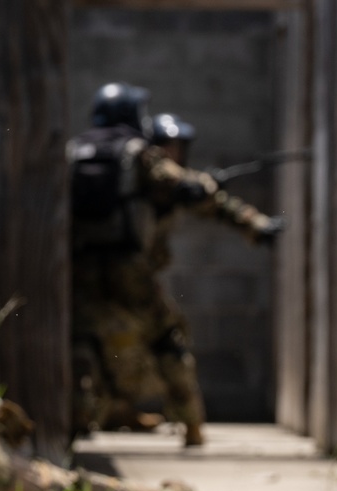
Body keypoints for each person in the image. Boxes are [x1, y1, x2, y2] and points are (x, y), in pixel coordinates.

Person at [69, 83, 283, 448]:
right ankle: (192, 428)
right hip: (129, 271)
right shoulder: (139, 154)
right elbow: (185, 186)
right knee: (169, 340)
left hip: (77, 272)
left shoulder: (74, 152)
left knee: (84, 345)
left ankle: (76, 423)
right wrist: (248, 219)